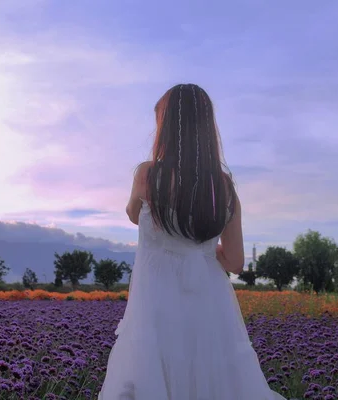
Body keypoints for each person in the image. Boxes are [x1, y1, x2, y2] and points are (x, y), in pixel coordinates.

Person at [98, 84, 285, 400]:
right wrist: (203, 248)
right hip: (209, 306)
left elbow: (134, 215)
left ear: (166, 127)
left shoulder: (147, 176)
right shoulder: (223, 188)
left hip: (155, 307)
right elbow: (235, 263)